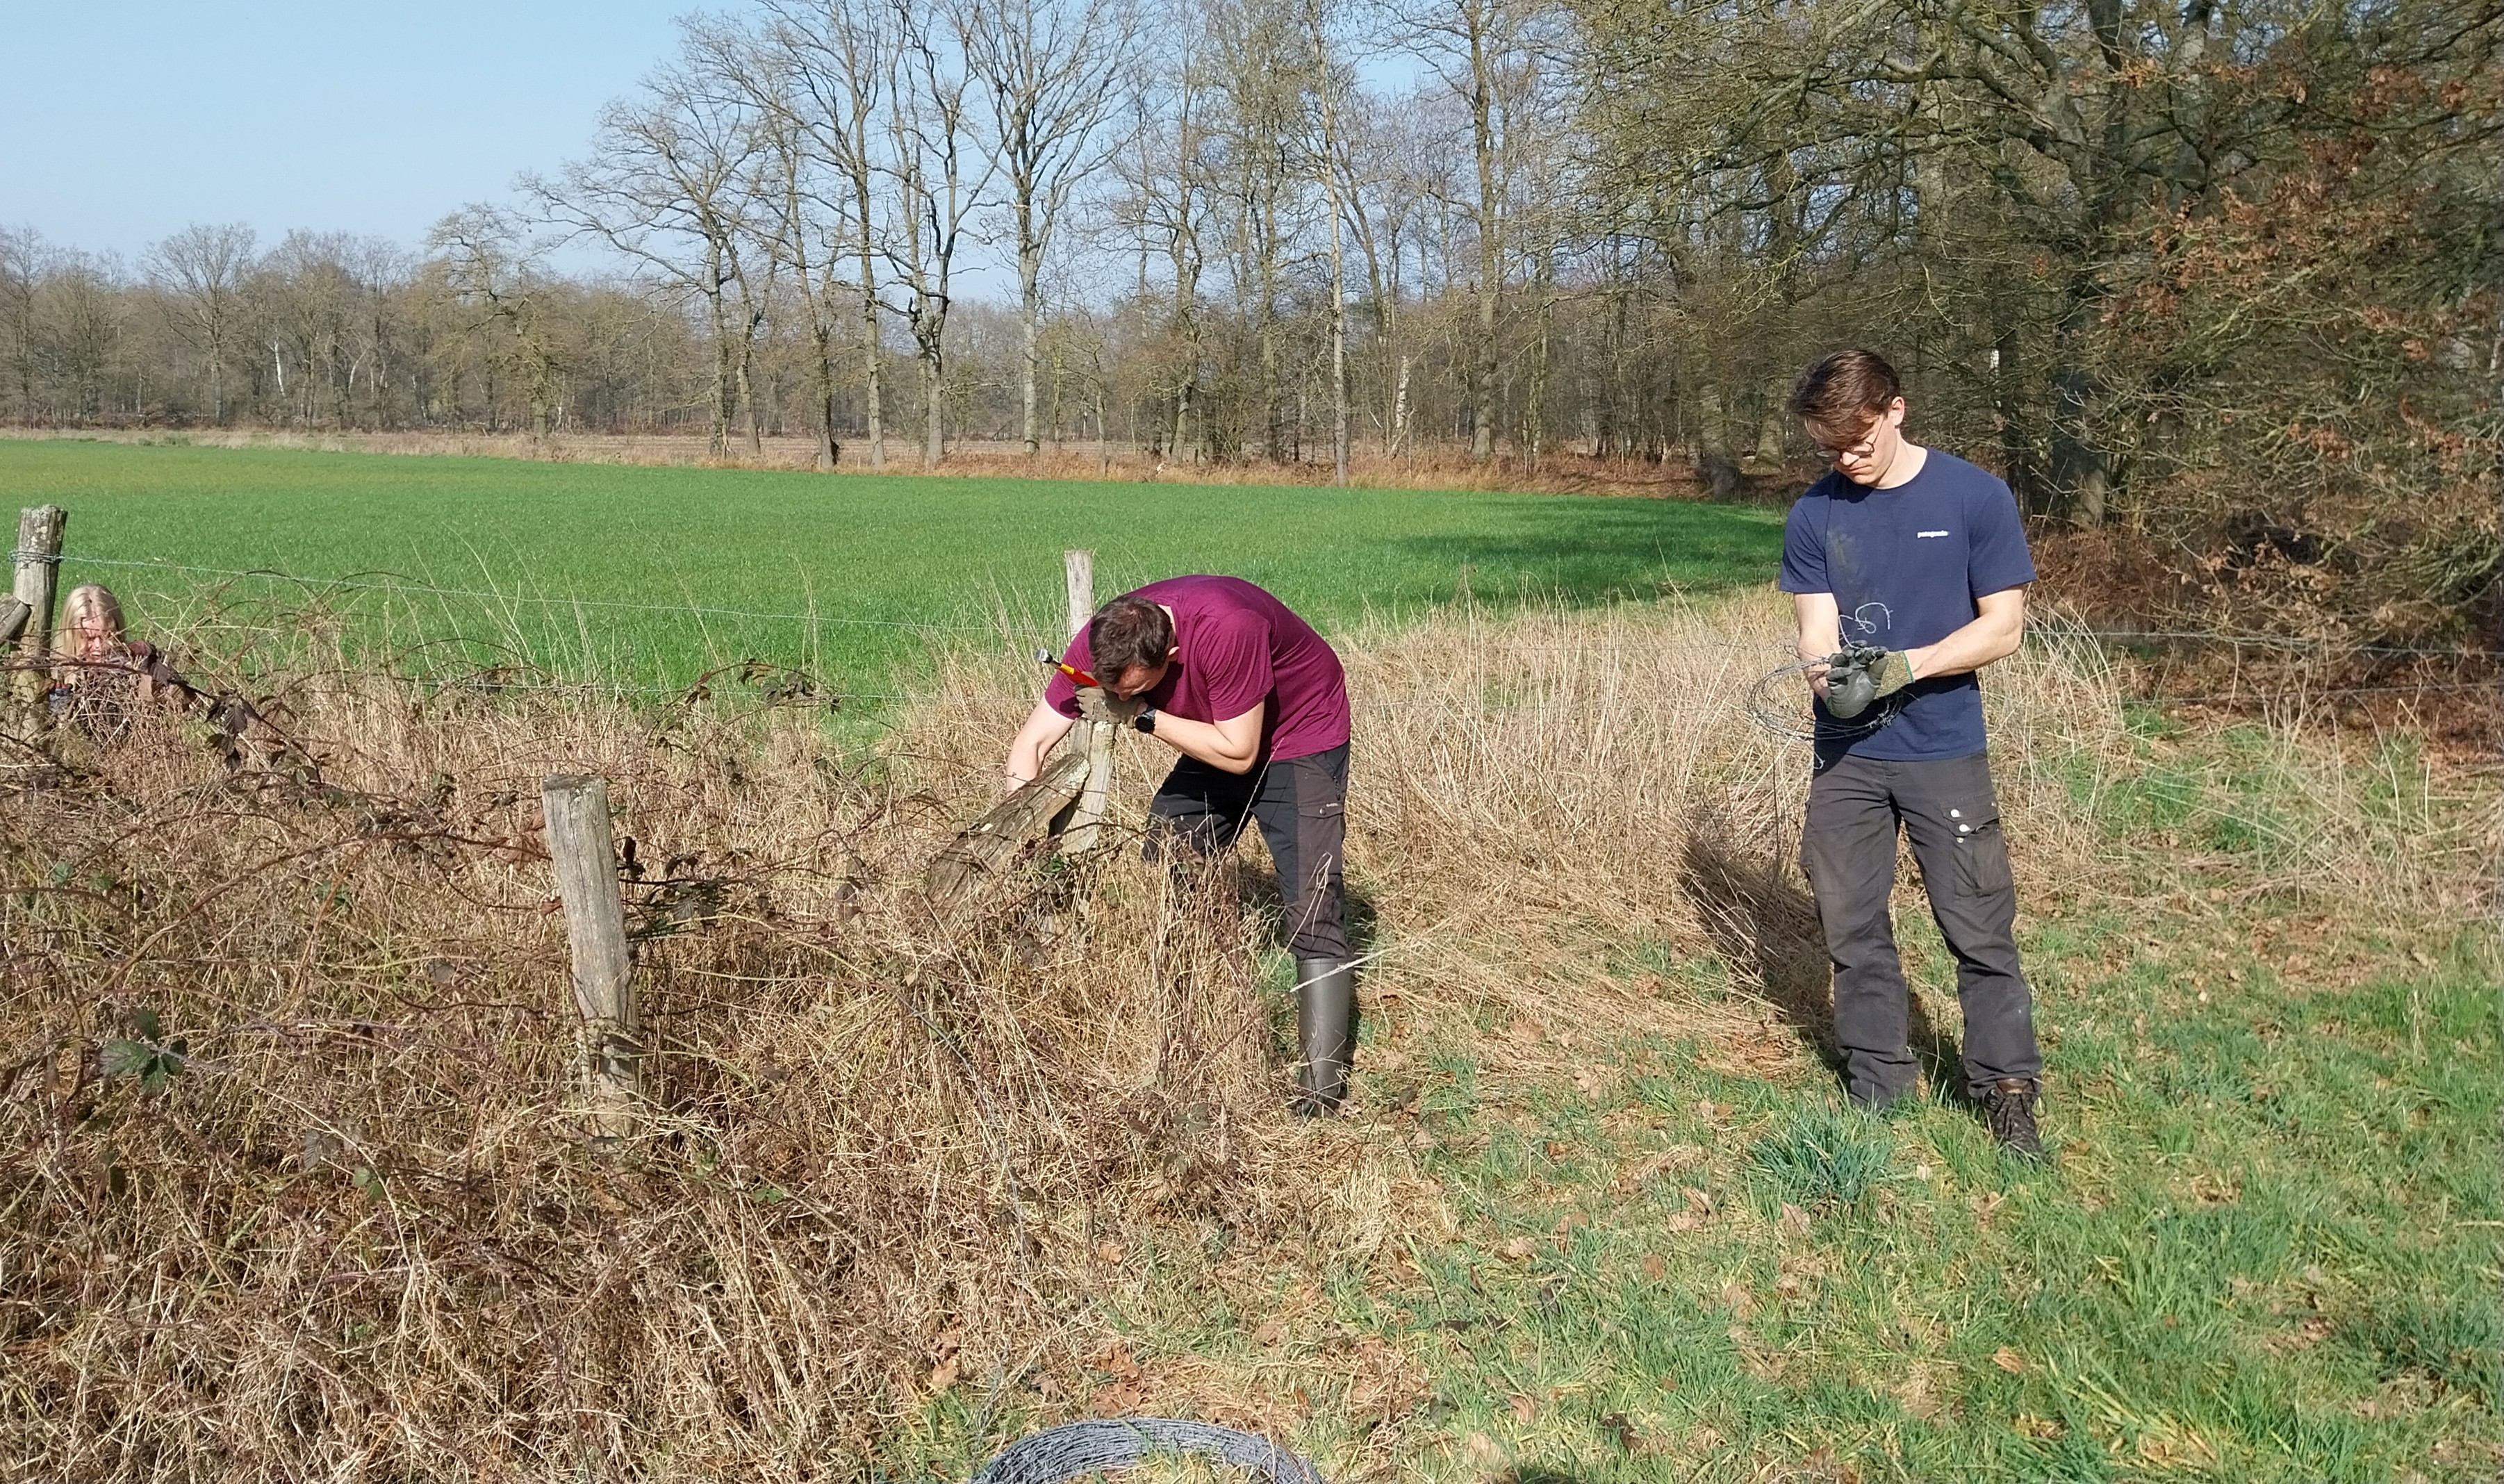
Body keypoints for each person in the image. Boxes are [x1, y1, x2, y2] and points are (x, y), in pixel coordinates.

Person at [1777, 349, 2047, 1159]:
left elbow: (2003, 627)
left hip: (1943, 749)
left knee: (1978, 927)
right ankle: (1878, 1083)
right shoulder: (1814, 514)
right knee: (1849, 921)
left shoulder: (1974, 497)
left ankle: (2006, 1090)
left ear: (1895, 409)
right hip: (1848, 758)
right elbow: (1815, 633)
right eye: (1829, 449)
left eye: (1857, 442)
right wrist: (1829, 681)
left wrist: (1904, 667)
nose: (1845, 461)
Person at [1005, 575, 1357, 1116]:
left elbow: (1240, 754)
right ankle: (1191, 1016)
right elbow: (1030, 743)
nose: (1121, 696)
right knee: (1169, 848)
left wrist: (1145, 716)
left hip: (1298, 735)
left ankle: (1319, 1095)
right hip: (1219, 732)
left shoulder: (1228, 628)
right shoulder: (1105, 639)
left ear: (1169, 654)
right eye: (1115, 688)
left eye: (1135, 687)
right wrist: (1025, 842)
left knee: (1312, 901)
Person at [51, 584, 198, 725]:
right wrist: (59, 707)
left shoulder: (134, 667)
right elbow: (55, 729)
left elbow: (189, 709)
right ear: (71, 636)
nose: (99, 647)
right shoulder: (55, 677)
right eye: (89, 638)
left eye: (107, 636)